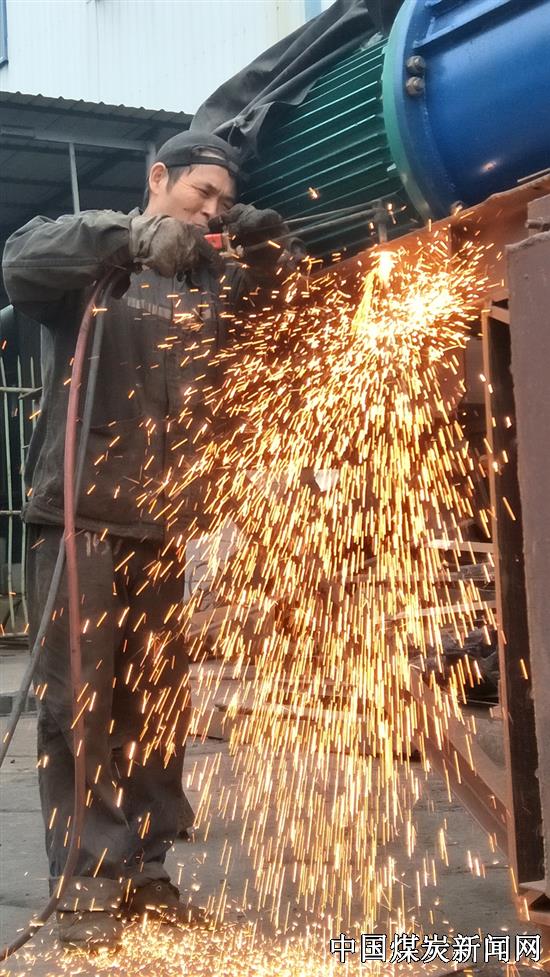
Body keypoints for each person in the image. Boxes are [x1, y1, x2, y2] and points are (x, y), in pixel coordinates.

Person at [2, 131, 292, 951]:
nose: (210, 212)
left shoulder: (210, 284)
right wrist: (129, 238)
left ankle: (148, 869)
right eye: (201, 194)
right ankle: (88, 883)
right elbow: (20, 258)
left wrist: (270, 257)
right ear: (159, 178)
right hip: (82, 521)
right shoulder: (92, 263)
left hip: (163, 528)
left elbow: (281, 329)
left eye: (223, 203)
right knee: (81, 706)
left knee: (155, 707)